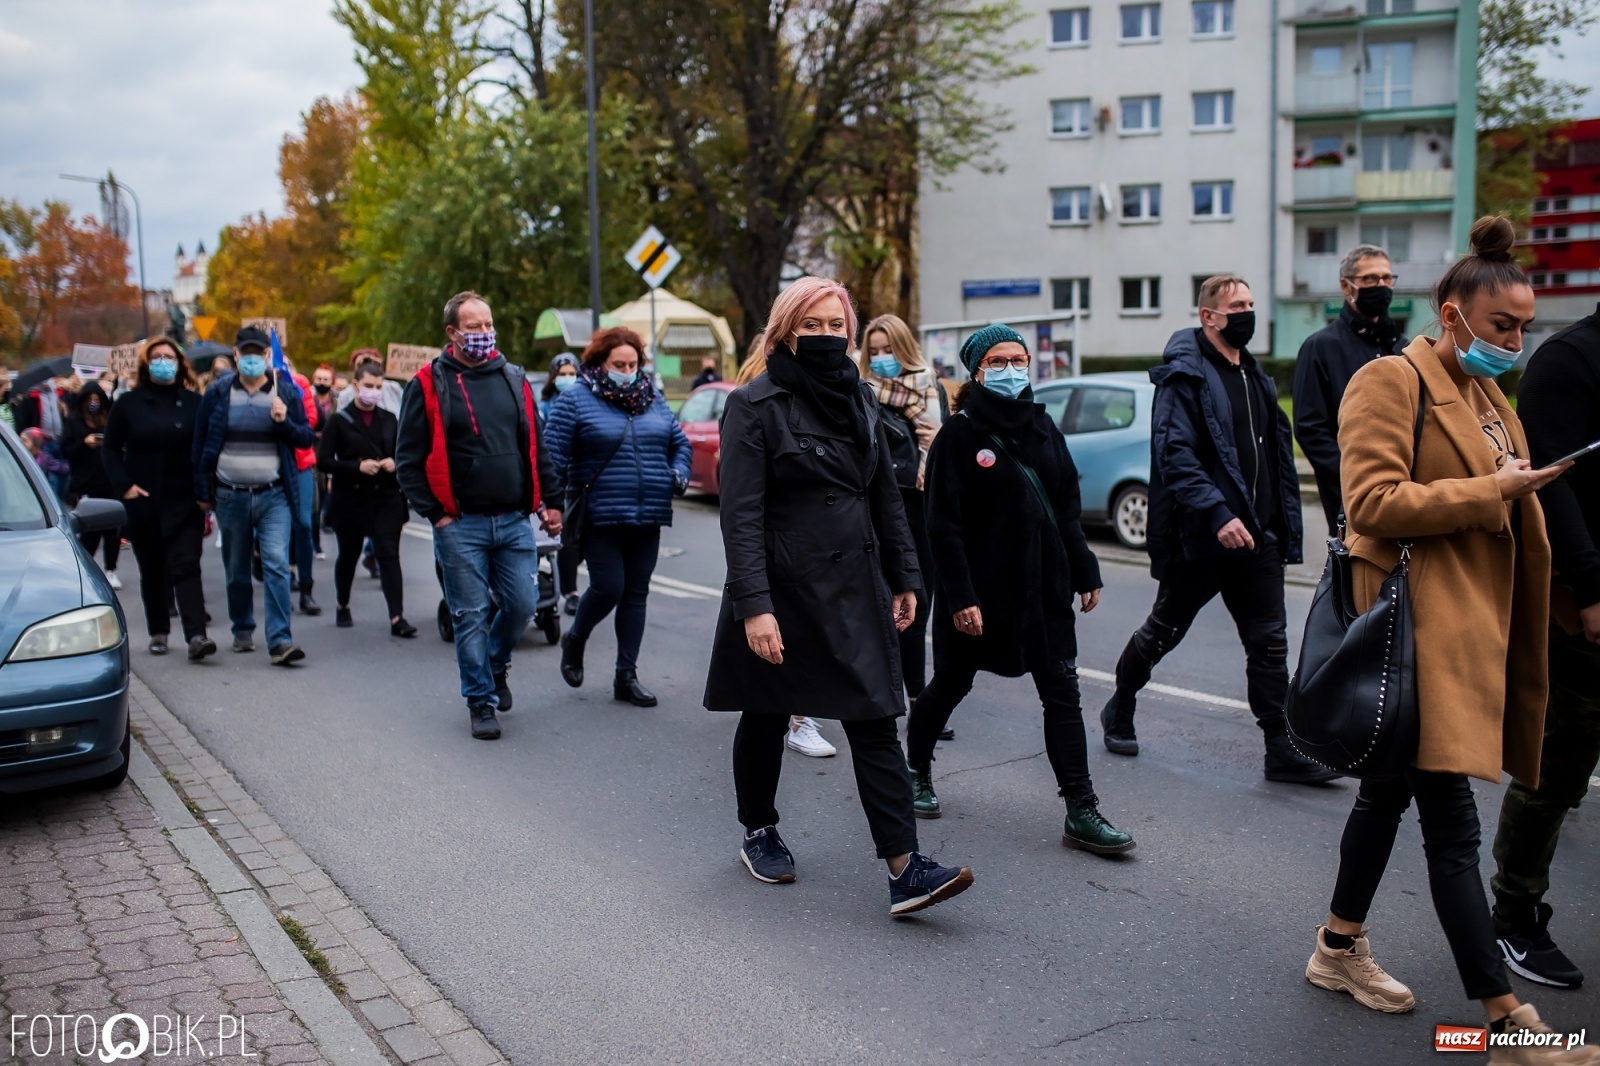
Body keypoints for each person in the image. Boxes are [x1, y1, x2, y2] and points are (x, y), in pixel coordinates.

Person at [1302, 217, 1596, 1062]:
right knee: (1452, 824)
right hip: (1414, 634)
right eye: (1503, 326)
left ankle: (1335, 947)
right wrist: (1491, 490)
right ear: (1452, 311)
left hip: (1469, 628)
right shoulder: (1386, 382)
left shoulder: (1488, 394)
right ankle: (1508, 1026)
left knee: (1384, 797)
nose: (1516, 341)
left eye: (1524, 327)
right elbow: (1373, 504)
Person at [703, 276, 975, 916]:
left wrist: (906, 576)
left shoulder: (861, 397)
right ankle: (759, 829)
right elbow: (740, 515)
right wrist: (754, 606)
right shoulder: (754, 404)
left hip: (856, 582)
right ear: (785, 332)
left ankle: (906, 869)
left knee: (877, 719)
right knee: (767, 712)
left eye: (835, 327)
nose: (825, 337)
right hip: (783, 586)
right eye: (812, 326)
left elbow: (884, 492)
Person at [906, 325, 1133, 853]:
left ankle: (1081, 808)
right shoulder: (958, 438)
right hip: (982, 596)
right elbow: (944, 526)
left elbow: (1067, 507)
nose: (1011, 369)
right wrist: (960, 596)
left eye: (1018, 359)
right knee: (952, 684)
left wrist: (1085, 569)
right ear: (977, 371)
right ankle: (916, 768)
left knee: (1063, 693)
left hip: (1043, 589)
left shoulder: (1044, 427)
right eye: (997, 361)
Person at [1102, 274, 1336, 785]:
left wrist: (1277, 526)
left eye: (1252, 303)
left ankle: (1280, 746)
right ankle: (1120, 704)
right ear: (1209, 316)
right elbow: (1175, 455)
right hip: (1202, 539)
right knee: (1163, 632)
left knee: (1270, 644)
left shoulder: (1255, 377)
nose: (1247, 313)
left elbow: (1272, 458)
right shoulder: (1184, 377)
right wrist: (1217, 514)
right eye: (1237, 306)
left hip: (1258, 540)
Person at [1488, 299, 1600, 991]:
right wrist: (1588, 588)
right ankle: (1516, 912)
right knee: (1558, 761)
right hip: (1584, 605)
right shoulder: (1569, 359)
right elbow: (1551, 488)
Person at [395, 291, 562, 741]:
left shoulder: (513, 378)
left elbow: (537, 446)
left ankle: (494, 661)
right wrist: (436, 514)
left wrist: (551, 501)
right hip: (460, 524)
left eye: (488, 324)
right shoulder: (428, 384)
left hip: (513, 519)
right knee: (470, 613)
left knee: (523, 604)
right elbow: (407, 460)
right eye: (473, 327)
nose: (484, 334)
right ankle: (481, 702)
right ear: (452, 334)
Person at [546, 327, 692, 707]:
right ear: (600, 363)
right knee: (609, 587)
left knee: (636, 594)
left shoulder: (652, 398)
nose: (628, 370)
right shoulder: (575, 400)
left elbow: (679, 443)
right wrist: (551, 504)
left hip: (649, 512)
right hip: (601, 514)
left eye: (633, 364)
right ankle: (575, 638)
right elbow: (552, 457)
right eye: (619, 364)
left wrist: (678, 473)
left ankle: (626, 676)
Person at [726, 333, 837, 759]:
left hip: (830, 552)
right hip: (779, 549)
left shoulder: (846, 392)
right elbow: (742, 507)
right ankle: (798, 720)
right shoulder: (753, 396)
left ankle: (802, 716)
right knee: (778, 665)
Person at [194, 325, 315, 666]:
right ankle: (242, 627)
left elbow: (305, 438)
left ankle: (280, 639)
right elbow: (201, 443)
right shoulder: (218, 393)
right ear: (235, 356)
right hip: (231, 494)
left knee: (276, 562)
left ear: (267, 356)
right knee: (236, 567)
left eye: (257, 354)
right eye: (244, 353)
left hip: (274, 493)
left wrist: (283, 422)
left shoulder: (284, 391)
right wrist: (203, 492)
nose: (250, 359)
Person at [103, 339, 214, 660]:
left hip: (186, 500)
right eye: (157, 358)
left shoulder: (195, 403)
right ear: (146, 364)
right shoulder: (128, 404)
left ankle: (196, 636)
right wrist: (124, 486)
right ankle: (159, 632)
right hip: (144, 501)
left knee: (186, 566)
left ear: (180, 363)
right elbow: (110, 448)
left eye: (169, 357)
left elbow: (207, 448)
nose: (163, 362)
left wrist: (206, 492)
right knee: (152, 569)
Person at [861, 313, 945, 720]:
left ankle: (915, 697)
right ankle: (905, 696)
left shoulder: (930, 387)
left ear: (904, 349)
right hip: (884, 508)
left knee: (920, 606)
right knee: (889, 604)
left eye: (887, 350)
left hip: (924, 505)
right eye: (873, 352)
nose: (880, 359)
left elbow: (950, 451)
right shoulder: (863, 393)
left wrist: (938, 441)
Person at [1293, 243, 1406, 533]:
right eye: (1370, 279)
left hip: (1407, 494)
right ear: (1347, 286)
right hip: (1351, 500)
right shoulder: (1320, 347)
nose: (1381, 286)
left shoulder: (1404, 348)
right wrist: (1357, 475)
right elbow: (1310, 428)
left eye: (1386, 278)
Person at [319, 360, 414, 637]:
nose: (373, 392)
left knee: (389, 555)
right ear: (356, 385)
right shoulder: (339, 420)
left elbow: (402, 453)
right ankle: (342, 604)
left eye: (378, 387)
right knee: (349, 555)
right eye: (368, 386)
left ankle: (397, 617)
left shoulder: (389, 419)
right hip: (351, 498)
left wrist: (393, 462)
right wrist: (355, 467)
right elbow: (323, 461)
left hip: (385, 496)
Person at [61, 382, 123, 589]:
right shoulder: (74, 423)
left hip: (109, 481)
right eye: (90, 399)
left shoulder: (109, 420)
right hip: (86, 483)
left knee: (113, 530)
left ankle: (111, 569)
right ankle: (85, 568)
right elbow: (66, 451)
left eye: (97, 399)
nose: (94, 403)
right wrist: (84, 444)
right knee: (90, 531)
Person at [540, 352, 583, 613]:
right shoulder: (544, 407)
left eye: (572, 373)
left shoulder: (584, 402)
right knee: (568, 537)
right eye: (562, 374)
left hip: (578, 479)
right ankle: (571, 591)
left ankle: (566, 576)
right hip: (556, 480)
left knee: (582, 538)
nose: (567, 379)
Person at [287, 364, 323, 616]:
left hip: (300, 464)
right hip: (272, 468)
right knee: (276, 526)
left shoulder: (299, 383)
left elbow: (310, 420)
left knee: (304, 524)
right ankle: (282, 580)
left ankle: (306, 588)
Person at [310, 363, 338, 559]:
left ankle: (326, 523)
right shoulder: (308, 401)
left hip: (331, 457)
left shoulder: (337, 404)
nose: (322, 383)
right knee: (313, 504)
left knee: (326, 498)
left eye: (325, 379)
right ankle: (315, 543)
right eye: (318, 379)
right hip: (311, 456)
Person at [337, 348, 404, 414]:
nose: (369, 368)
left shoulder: (393, 388)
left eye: (374, 364)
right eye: (362, 365)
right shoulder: (345, 395)